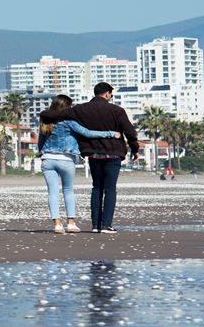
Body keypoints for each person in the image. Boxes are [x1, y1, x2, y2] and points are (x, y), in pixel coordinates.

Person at [38, 82, 140, 233]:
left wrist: (44, 115)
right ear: (107, 94)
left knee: (97, 187)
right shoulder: (117, 110)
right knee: (109, 189)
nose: (111, 97)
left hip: (93, 154)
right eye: (111, 94)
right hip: (113, 153)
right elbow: (130, 132)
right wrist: (134, 149)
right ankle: (105, 225)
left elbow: (51, 115)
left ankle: (95, 225)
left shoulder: (81, 109)